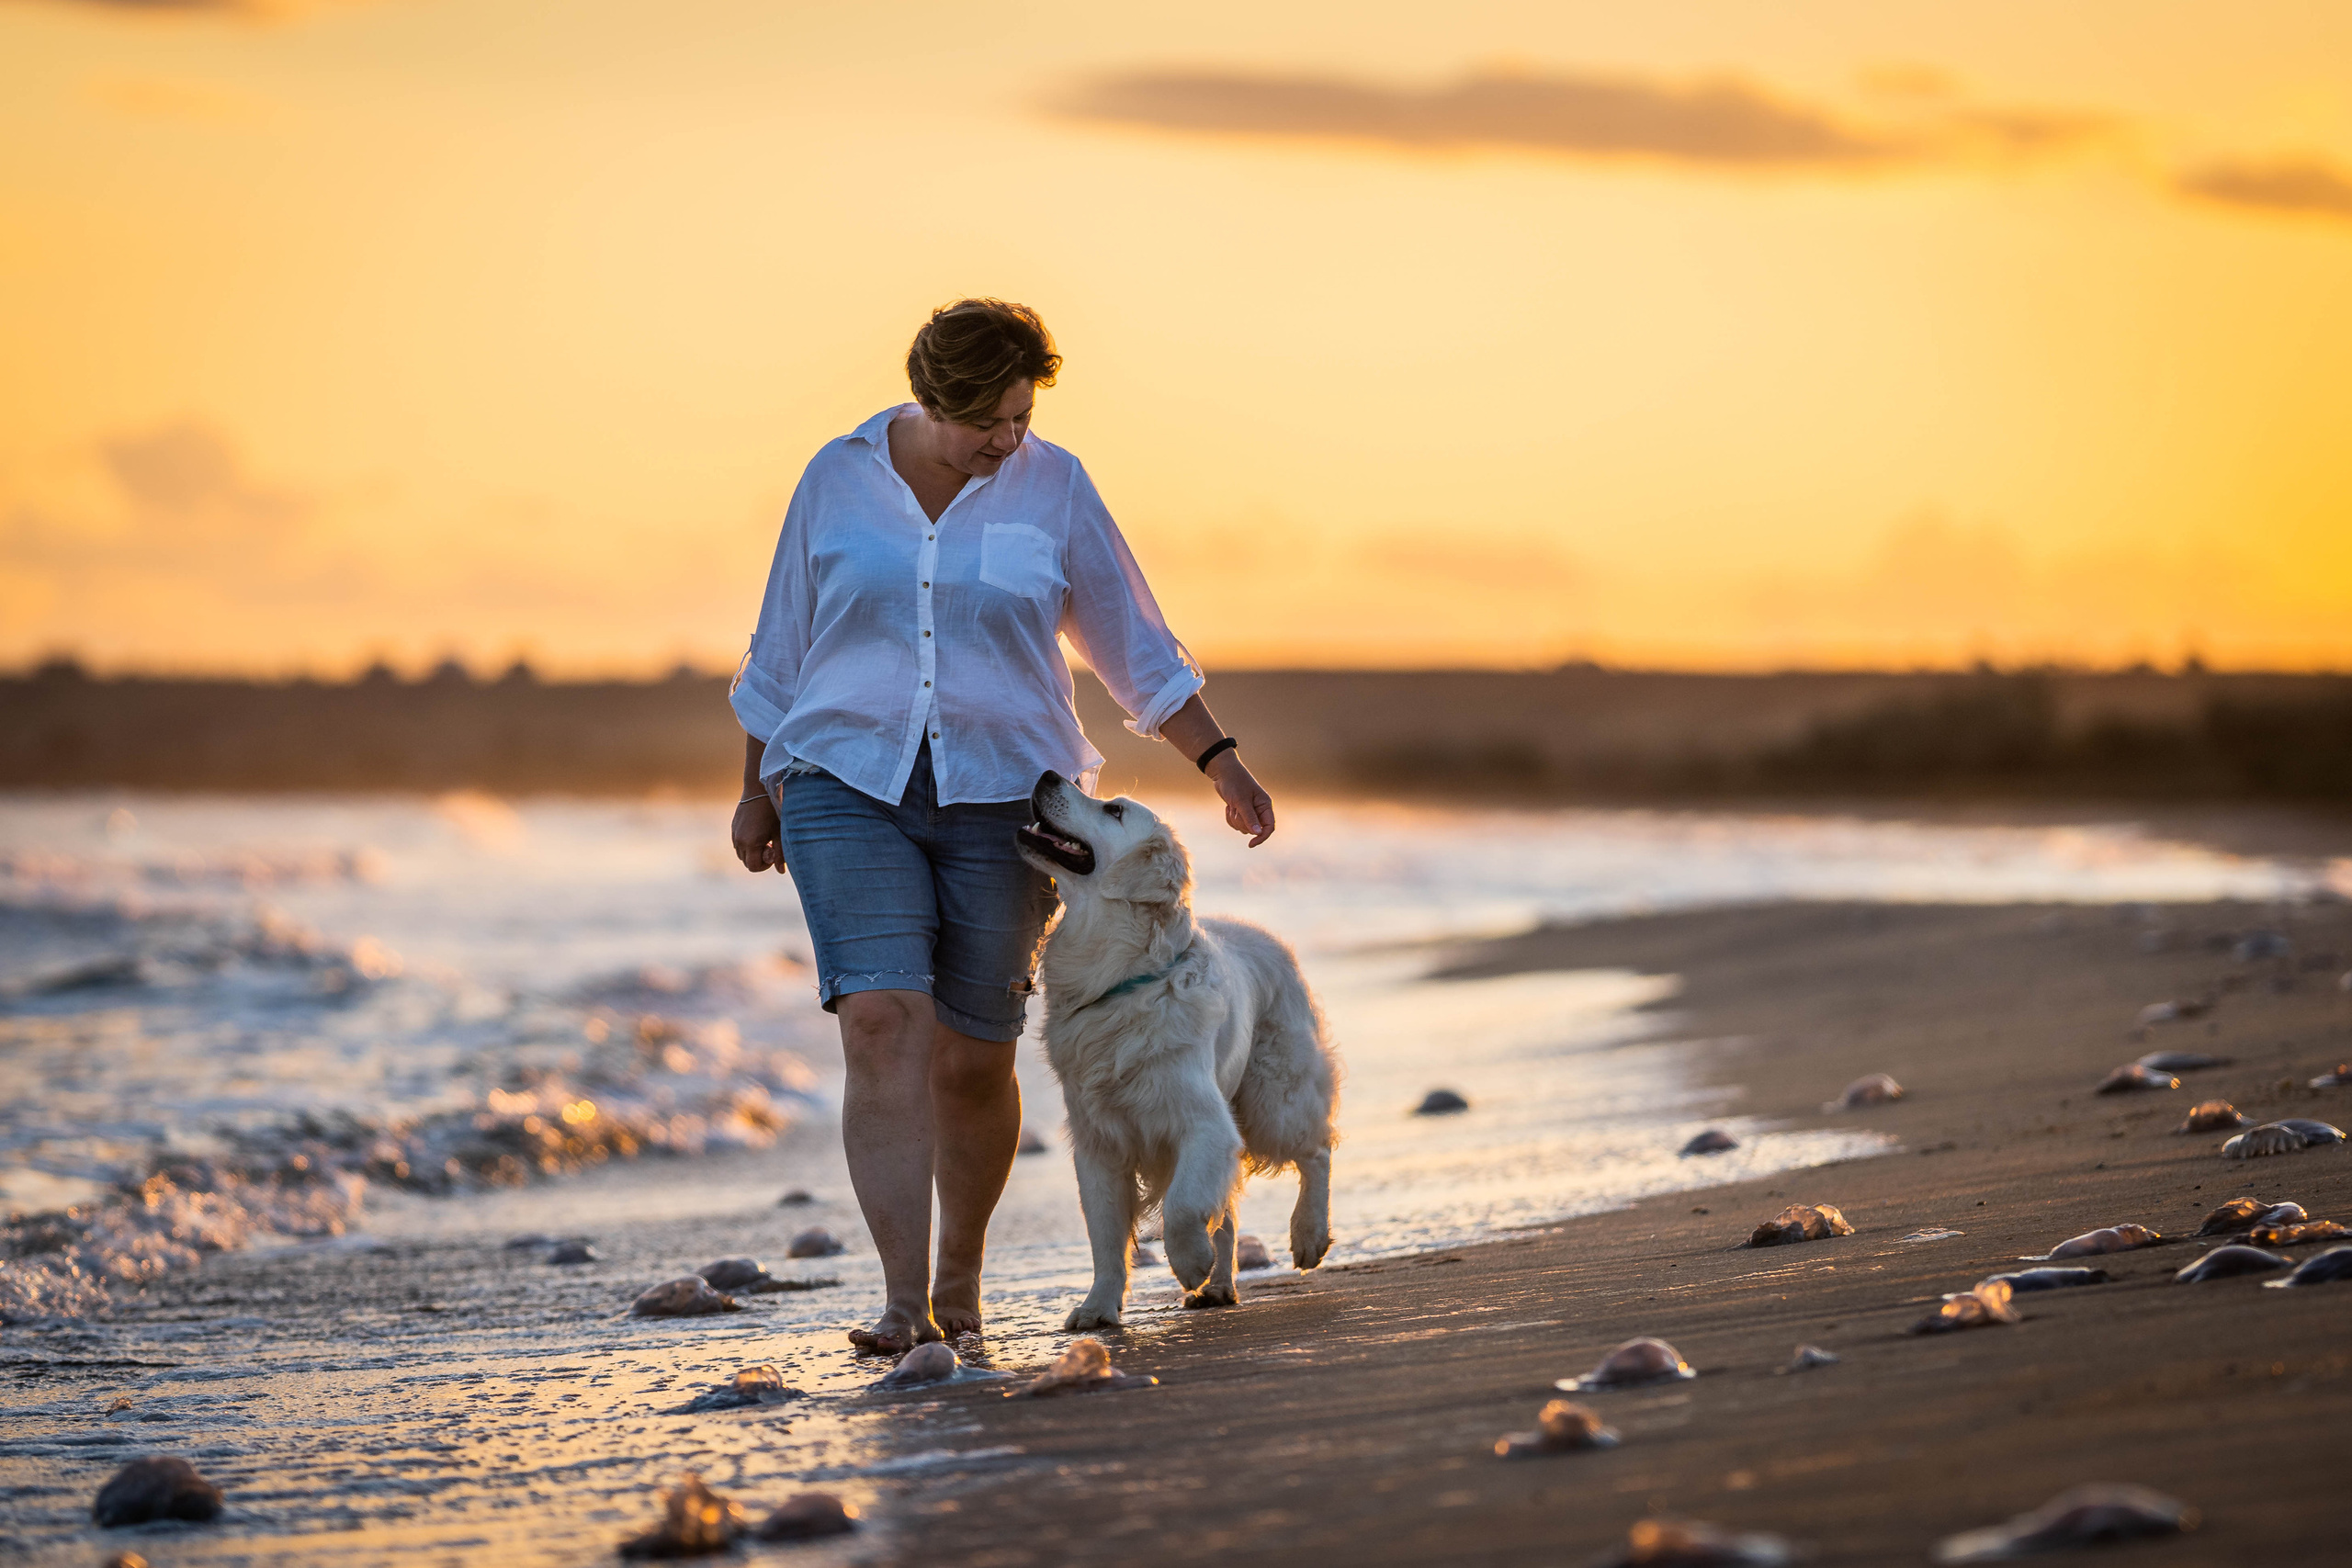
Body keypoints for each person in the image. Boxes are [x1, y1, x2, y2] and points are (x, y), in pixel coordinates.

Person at [727, 299, 1275, 1353]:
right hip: (843, 778)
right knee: (879, 1020)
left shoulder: (1055, 486)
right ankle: (903, 1305)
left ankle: (959, 1280)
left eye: (1023, 417)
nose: (1008, 439)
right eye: (989, 420)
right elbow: (781, 648)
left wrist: (1221, 761)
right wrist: (755, 786)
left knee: (975, 1056)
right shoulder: (837, 476)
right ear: (932, 400)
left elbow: (1134, 643)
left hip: (1007, 800)